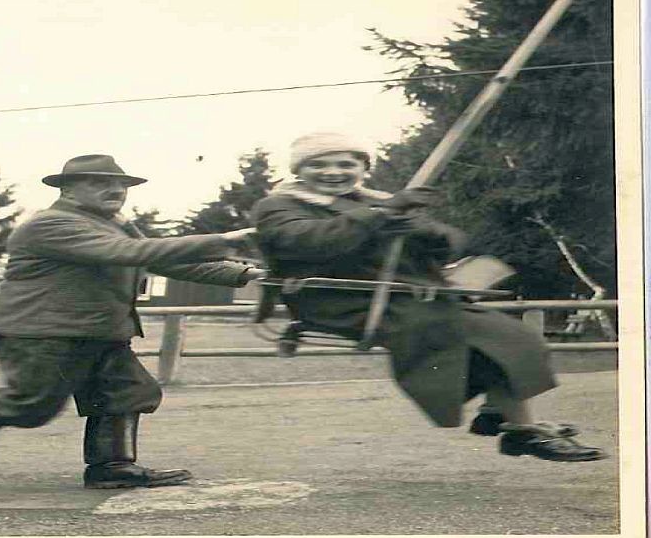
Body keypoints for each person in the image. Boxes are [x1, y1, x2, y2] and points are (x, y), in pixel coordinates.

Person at [0, 154, 263, 490]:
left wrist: (248, 274)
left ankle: (112, 467)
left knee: (128, 390)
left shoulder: (112, 225)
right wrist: (223, 239)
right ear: (67, 189)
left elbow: (162, 261)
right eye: (99, 182)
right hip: (41, 332)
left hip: (97, 331)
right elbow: (129, 252)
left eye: (121, 184)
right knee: (30, 404)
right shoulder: (52, 224)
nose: (116, 190)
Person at [251, 131, 606, 462]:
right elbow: (309, 242)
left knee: (515, 338)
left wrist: (428, 236)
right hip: (342, 300)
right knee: (474, 339)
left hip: (406, 296)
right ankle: (520, 427)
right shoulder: (279, 206)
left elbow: (448, 243)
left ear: (362, 168)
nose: (333, 172)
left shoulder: (376, 202)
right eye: (318, 164)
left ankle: (506, 417)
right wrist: (380, 217)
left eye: (346, 164)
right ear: (299, 170)